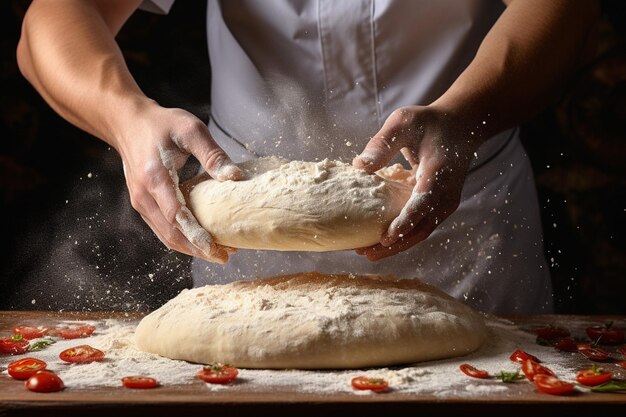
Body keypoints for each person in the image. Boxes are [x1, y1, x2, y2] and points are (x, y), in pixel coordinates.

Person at [16, 0, 600, 315]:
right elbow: (55, 17)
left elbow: (565, 10)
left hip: (461, 220)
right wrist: (127, 118)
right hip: (250, 230)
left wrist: (467, 113)